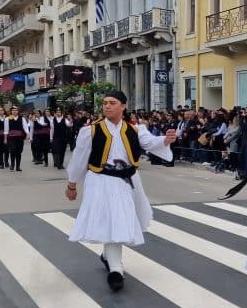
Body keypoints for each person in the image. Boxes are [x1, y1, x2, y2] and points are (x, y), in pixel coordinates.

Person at [65, 90, 176, 291]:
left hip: (127, 180)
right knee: (111, 220)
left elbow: (151, 143)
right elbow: (79, 159)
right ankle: (116, 269)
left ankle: (110, 258)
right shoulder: (90, 130)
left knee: (118, 220)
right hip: (100, 180)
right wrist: (72, 184)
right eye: (105, 102)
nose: (107, 106)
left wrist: (166, 140)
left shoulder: (135, 129)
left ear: (123, 106)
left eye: (112, 102)